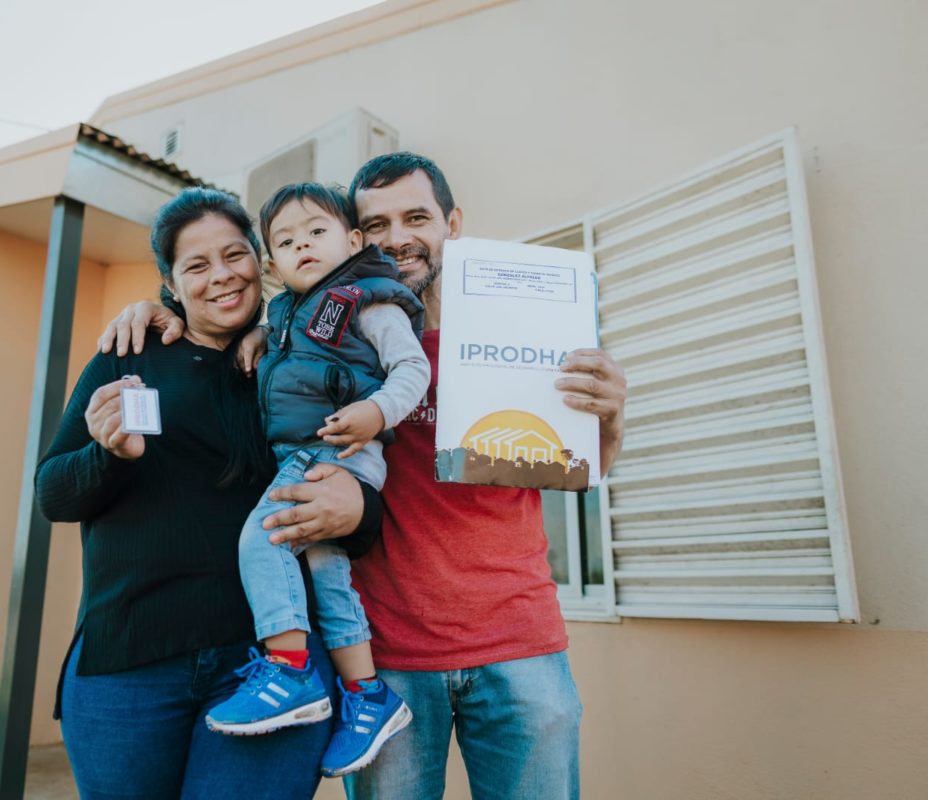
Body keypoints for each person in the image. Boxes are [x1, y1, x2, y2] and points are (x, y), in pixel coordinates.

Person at [98, 153, 628, 800]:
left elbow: (580, 468)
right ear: (353, 237)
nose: (397, 237)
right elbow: (230, 321)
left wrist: (609, 417)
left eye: (416, 217)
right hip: (383, 655)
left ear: (452, 225)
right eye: (376, 223)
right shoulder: (309, 333)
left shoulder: (510, 338)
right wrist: (160, 315)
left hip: (517, 642)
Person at [36, 186, 387, 800]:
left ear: (262, 261)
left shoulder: (299, 359)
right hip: (129, 664)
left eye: (234, 255)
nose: (220, 276)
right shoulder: (131, 355)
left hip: (273, 670)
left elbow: (360, 481)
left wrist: (359, 512)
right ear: (170, 284)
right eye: (196, 265)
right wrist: (108, 454)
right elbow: (54, 497)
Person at [202, 183, 430, 779]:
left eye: (317, 232)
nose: (303, 245)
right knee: (328, 577)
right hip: (305, 454)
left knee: (265, 537)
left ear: (353, 241)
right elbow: (293, 347)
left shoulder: (370, 301)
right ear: (273, 264)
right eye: (286, 240)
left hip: (336, 448)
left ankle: (289, 668)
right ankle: (367, 694)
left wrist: (378, 411)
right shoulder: (285, 314)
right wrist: (257, 337)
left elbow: (412, 367)